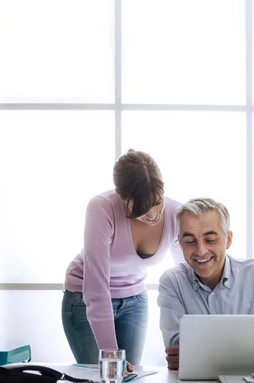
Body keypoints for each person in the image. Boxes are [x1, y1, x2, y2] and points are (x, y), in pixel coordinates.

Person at [62, 149, 184, 366]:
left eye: (157, 202)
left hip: (135, 299)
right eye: (142, 209)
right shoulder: (102, 208)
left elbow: (186, 277)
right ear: (123, 198)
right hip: (84, 297)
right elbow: (96, 287)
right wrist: (110, 353)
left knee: (130, 376)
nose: (154, 215)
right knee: (104, 374)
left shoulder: (176, 213)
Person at [157, 197, 254, 370]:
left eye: (210, 240)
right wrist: (251, 340)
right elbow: (177, 355)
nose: (201, 251)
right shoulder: (172, 283)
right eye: (189, 241)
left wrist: (199, 351)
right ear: (180, 242)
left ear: (229, 239)